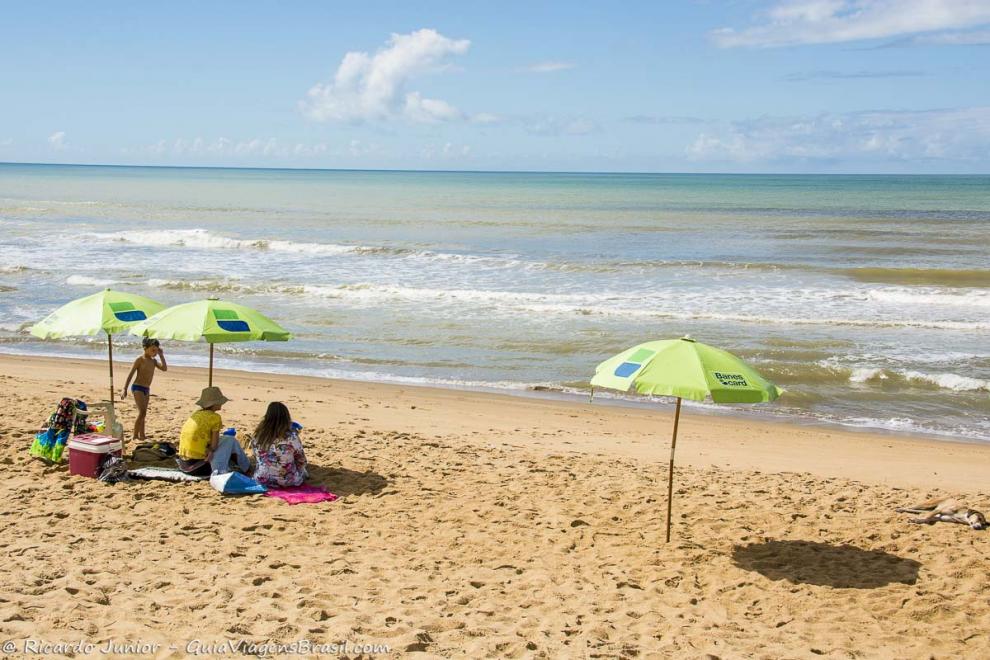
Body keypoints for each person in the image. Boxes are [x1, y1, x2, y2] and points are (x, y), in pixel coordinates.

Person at [176, 386, 249, 476]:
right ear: (214, 404)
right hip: (199, 465)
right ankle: (246, 467)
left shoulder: (196, 414)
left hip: (184, 463)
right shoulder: (215, 417)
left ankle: (243, 465)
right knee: (230, 440)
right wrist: (211, 450)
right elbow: (214, 445)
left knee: (226, 439)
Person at [250, 402, 308, 487]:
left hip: (262, 479)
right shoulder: (291, 437)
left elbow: (257, 456)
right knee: (303, 471)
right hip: (287, 481)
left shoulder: (257, 435)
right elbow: (302, 460)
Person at [121, 337, 167, 442]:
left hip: (147, 389)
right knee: (142, 412)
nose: (155, 352)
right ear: (145, 348)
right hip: (137, 387)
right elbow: (131, 374)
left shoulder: (154, 361)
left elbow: (164, 368)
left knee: (144, 413)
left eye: (156, 350)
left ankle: (142, 435)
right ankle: (135, 436)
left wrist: (161, 355)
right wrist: (124, 389)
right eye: (153, 350)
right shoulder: (140, 360)